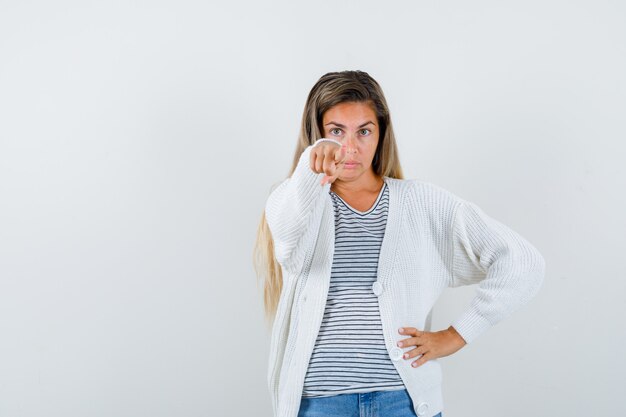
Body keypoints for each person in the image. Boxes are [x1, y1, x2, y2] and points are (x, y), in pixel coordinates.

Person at [253, 70, 546, 417]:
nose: (349, 147)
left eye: (364, 131)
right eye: (335, 131)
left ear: (381, 134)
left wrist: (456, 335)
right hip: (319, 405)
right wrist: (310, 167)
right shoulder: (293, 200)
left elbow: (523, 261)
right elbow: (288, 237)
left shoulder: (422, 203)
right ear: (316, 135)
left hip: (403, 403)